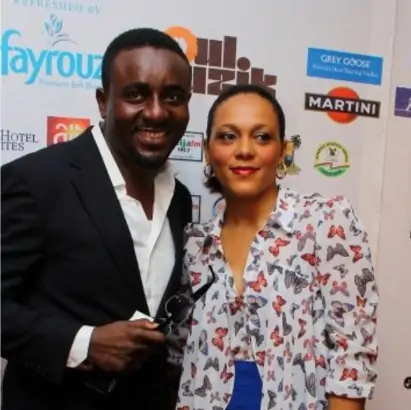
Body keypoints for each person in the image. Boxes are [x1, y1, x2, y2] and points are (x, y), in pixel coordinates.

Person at [1, 28, 193, 410]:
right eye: (136, 94)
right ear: (103, 102)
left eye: (173, 97)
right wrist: (83, 343)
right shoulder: (37, 181)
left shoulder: (181, 200)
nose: (156, 112)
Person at [176, 84, 379, 410]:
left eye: (261, 137)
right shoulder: (195, 244)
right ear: (207, 150)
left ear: (283, 150)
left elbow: (352, 358)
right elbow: (178, 353)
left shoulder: (326, 223)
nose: (244, 150)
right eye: (228, 136)